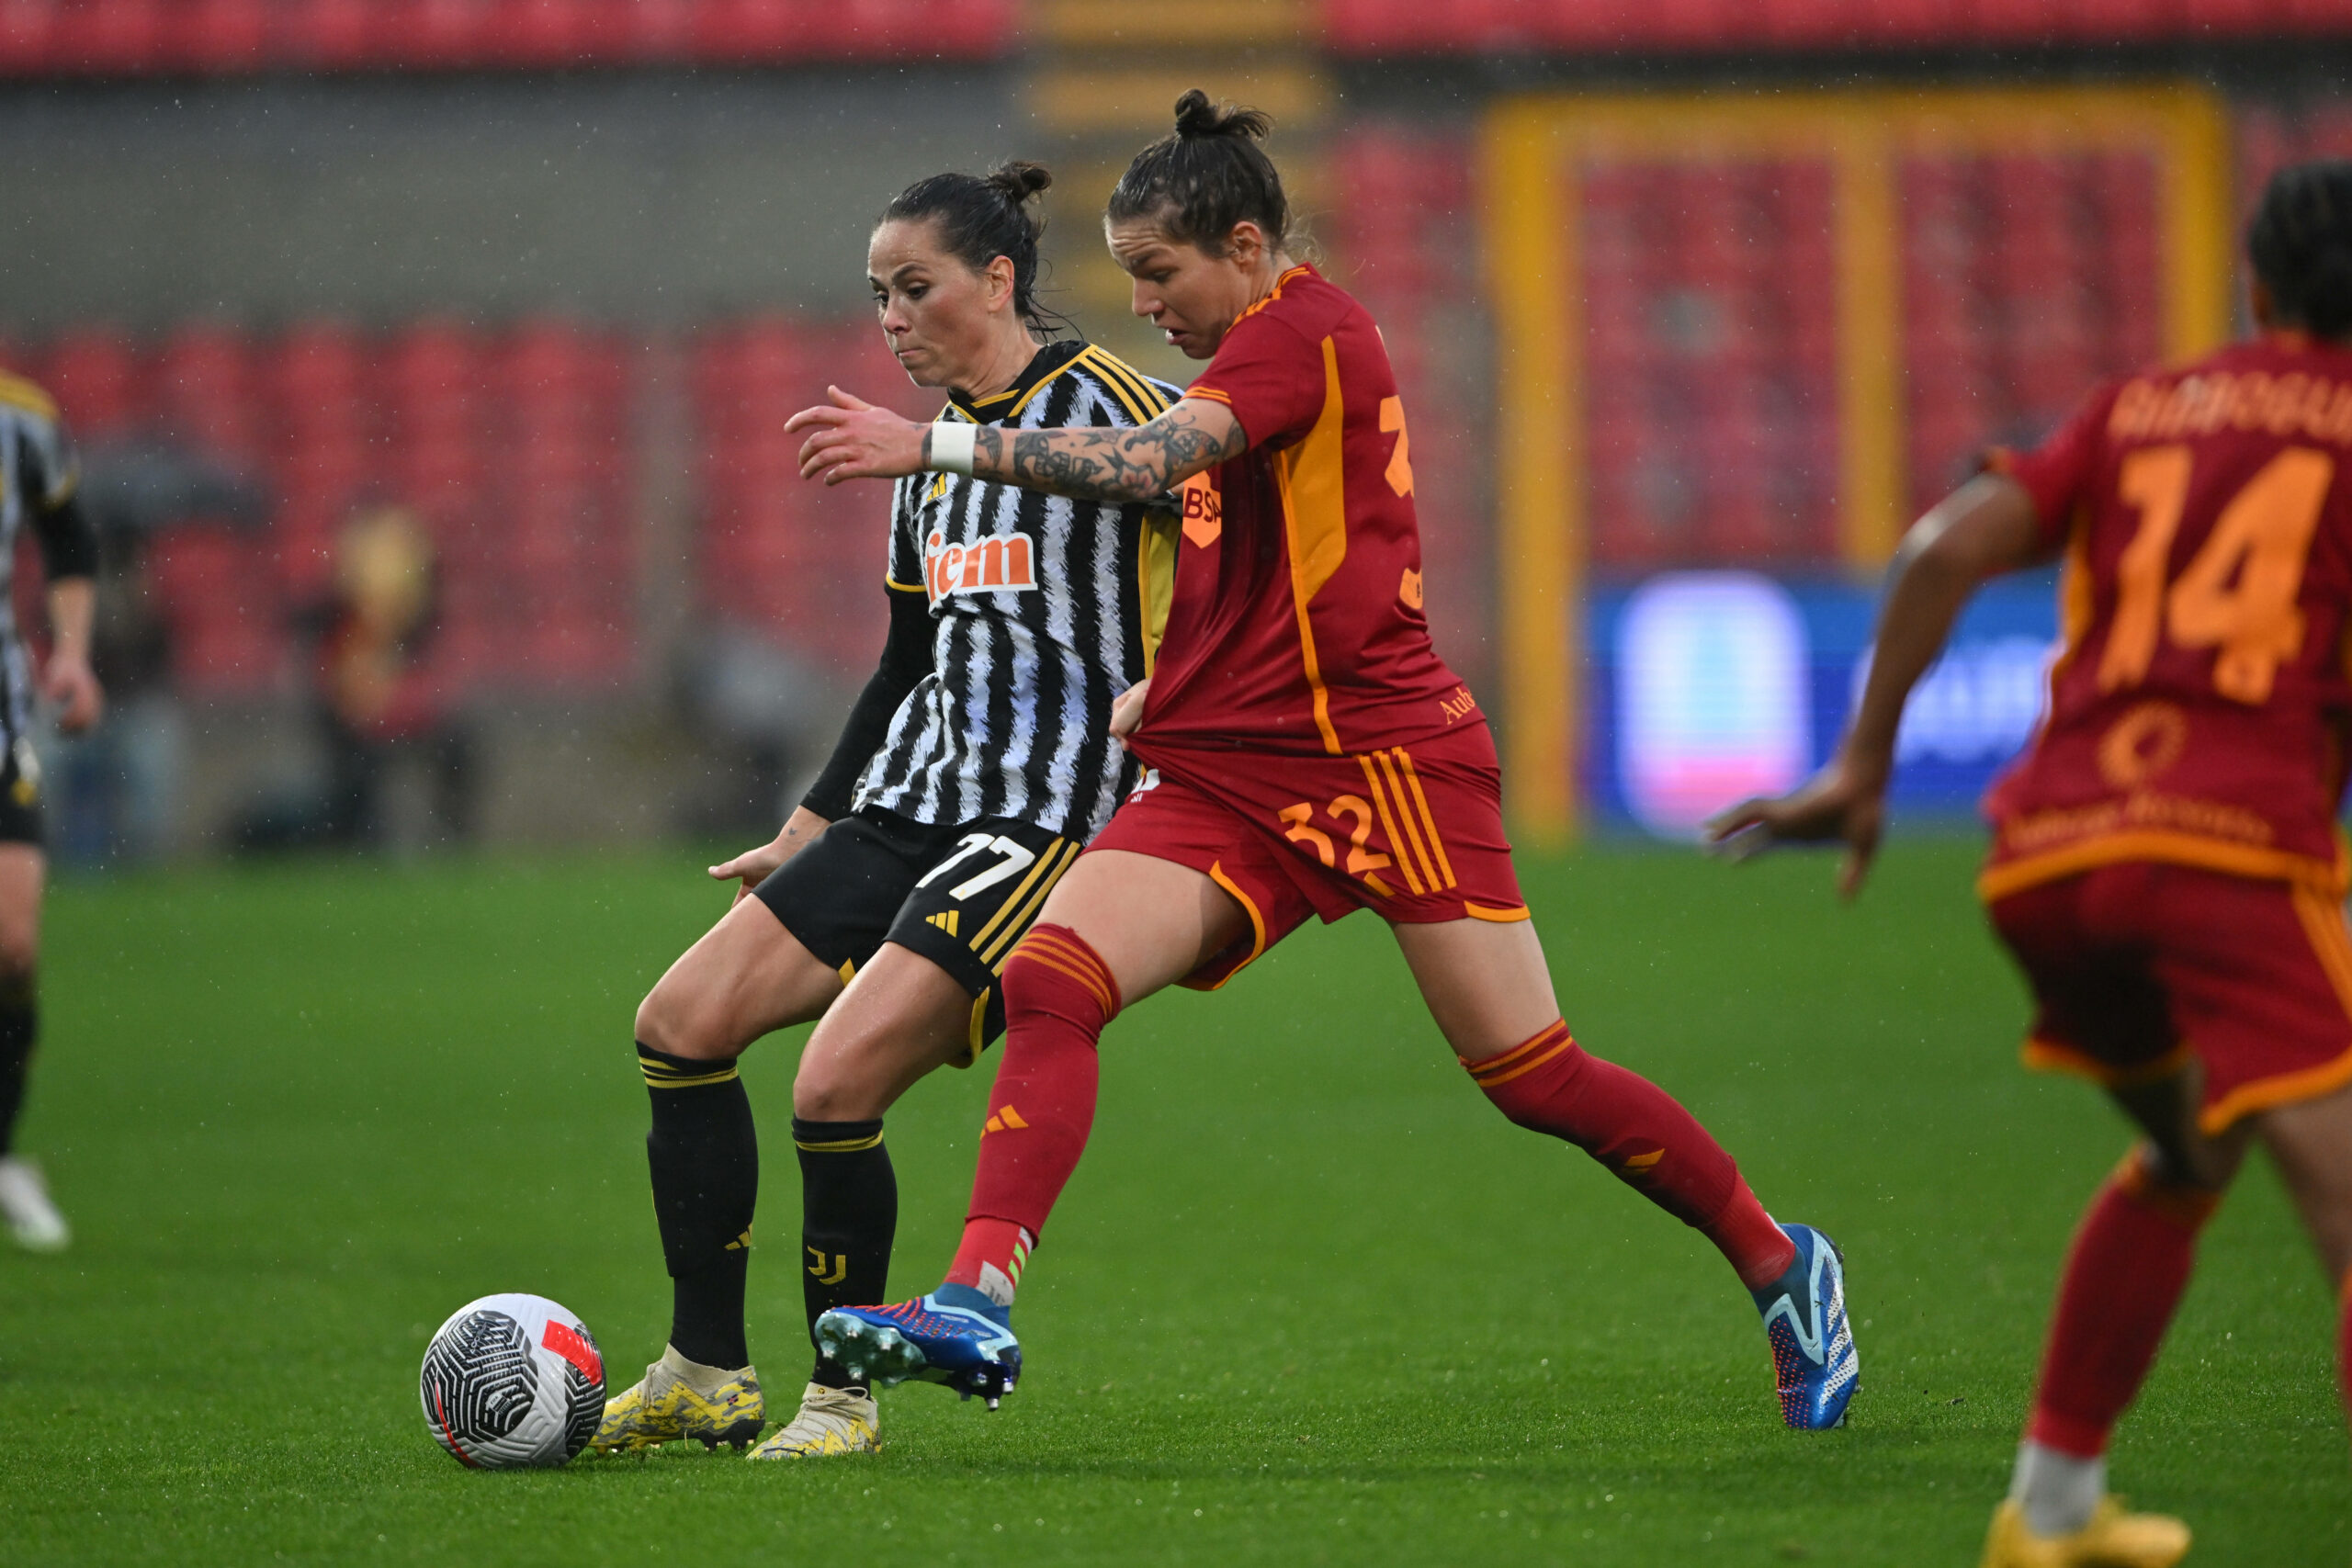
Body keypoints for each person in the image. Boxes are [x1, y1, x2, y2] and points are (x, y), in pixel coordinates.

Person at [786, 92, 1860, 1431]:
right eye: (1127, 279)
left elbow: (1155, 459)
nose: (1149, 304)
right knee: (1054, 973)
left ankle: (1779, 1257)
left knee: (1533, 1075)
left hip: (1384, 760)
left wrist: (936, 437)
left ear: (1246, 245)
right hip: (1234, 768)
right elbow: (1243, 560)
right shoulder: (1246, 355)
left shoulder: (1306, 331)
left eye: (1161, 275)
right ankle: (975, 1298)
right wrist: (1163, 686)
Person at [1705, 159, 2352, 1566]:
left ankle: (2050, 1507)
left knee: (2190, 1147)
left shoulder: (2145, 406)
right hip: (2230, 849)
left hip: (2049, 855)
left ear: (2254, 287)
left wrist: (1864, 764)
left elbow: (1943, 547)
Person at [593, 162, 1182, 1461]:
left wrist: (1184, 687)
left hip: (1043, 821)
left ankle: (840, 1396)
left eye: (915, 289)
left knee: (836, 1076)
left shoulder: (1126, 412)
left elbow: (1234, 524)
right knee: (678, 1024)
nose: (892, 321)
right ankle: (705, 1367)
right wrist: (808, 825)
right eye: (876, 297)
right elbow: (905, 664)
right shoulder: (923, 470)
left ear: (998, 278)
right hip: (909, 803)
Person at [0, 366, 105, 1251]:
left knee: (14, 943)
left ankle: (2, 1149)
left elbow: (69, 540)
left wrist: (70, 653)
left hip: (1, 714)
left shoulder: (21, 416)